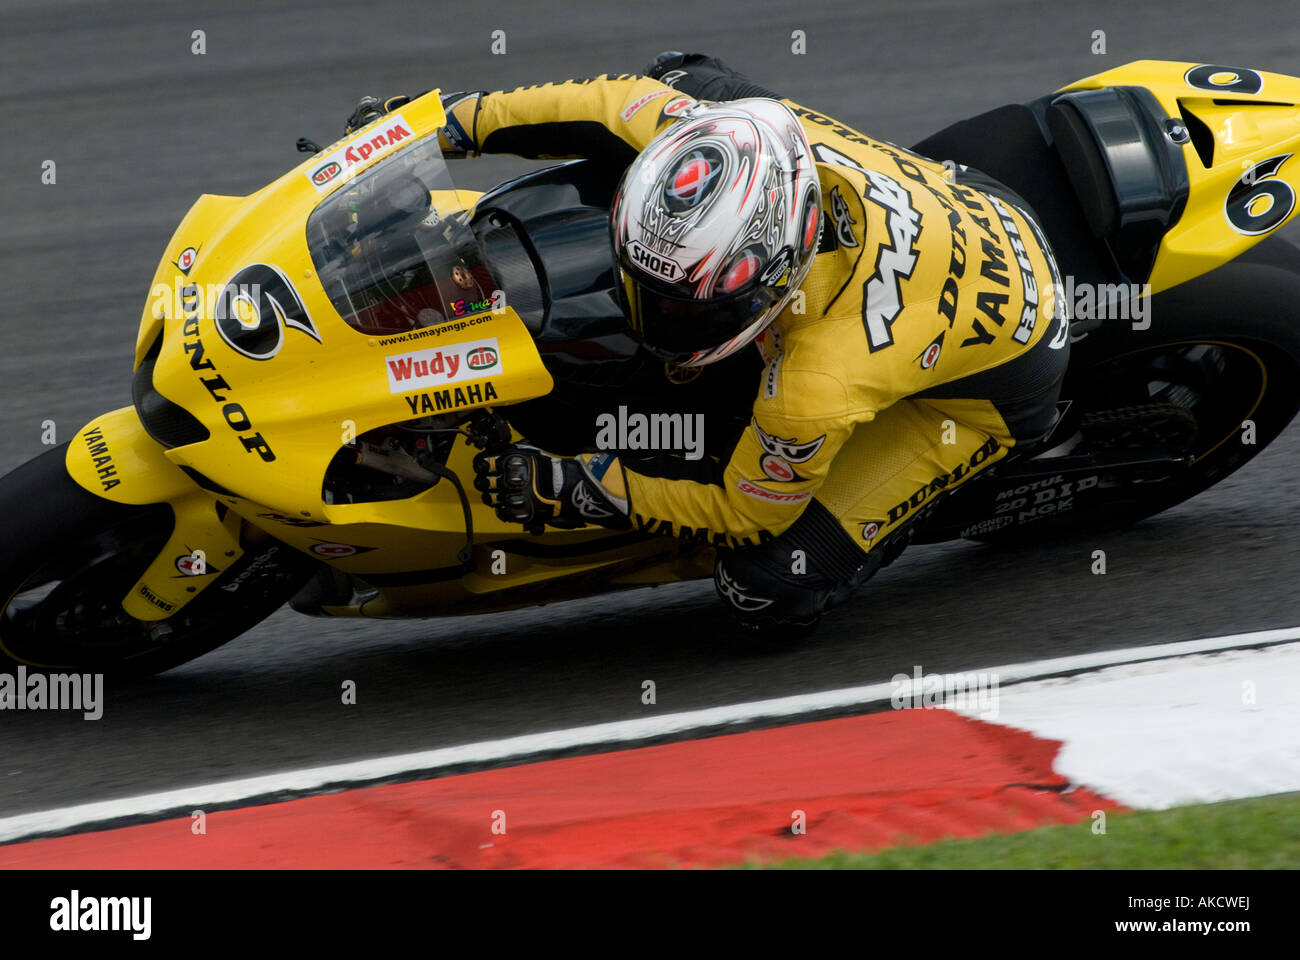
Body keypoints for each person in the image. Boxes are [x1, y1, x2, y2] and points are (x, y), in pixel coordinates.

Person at [351, 54, 1070, 636]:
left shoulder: (817, 382)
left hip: (1004, 367)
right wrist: (439, 126)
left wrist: (582, 486)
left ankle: (882, 528)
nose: (645, 316)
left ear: (773, 284)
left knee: (764, 585)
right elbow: (613, 102)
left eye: (677, 309)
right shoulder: (721, 133)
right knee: (681, 73)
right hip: (964, 197)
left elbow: (749, 511)